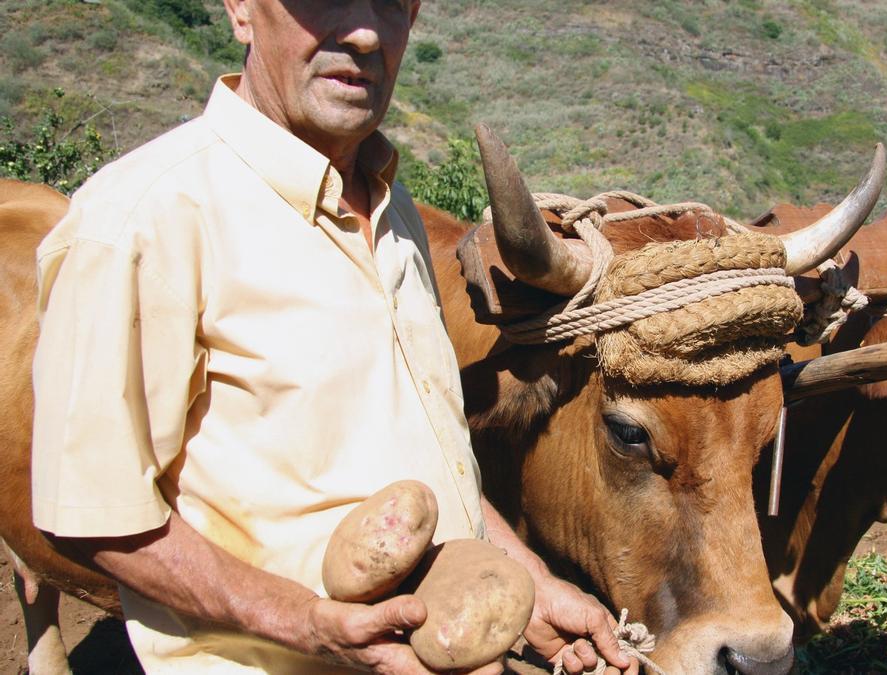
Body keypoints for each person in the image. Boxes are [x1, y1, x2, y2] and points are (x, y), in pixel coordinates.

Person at [29, 1, 634, 673]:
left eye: (392, 4)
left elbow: (427, 454)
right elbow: (92, 514)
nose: (365, 31)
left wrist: (530, 582)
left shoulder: (391, 208)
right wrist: (306, 623)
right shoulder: (141, 223)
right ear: (239, 10)